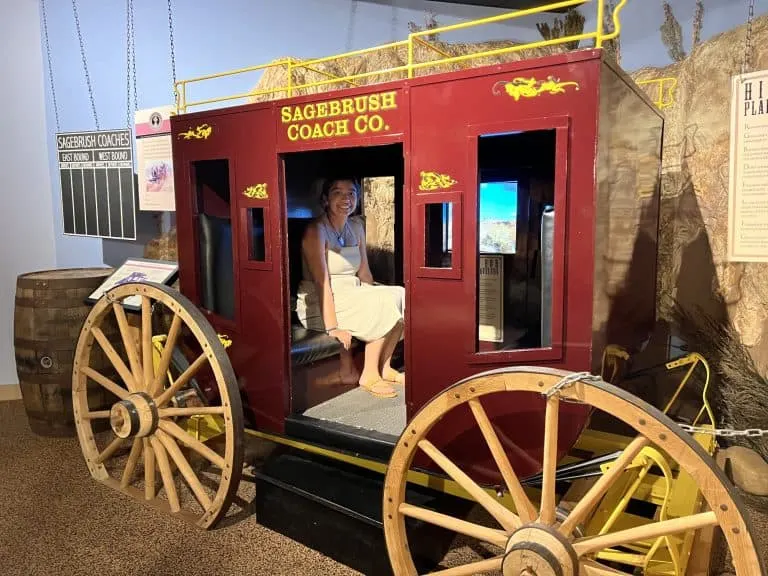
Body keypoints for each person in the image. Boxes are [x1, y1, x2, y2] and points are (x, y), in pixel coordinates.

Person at [295, 177, 405, 398]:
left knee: (400, 295)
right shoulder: (316, 231)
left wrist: (373, 291)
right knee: (381, 302)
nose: (346, 198)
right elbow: (321, 281)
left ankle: (385, 367)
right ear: (325, 199)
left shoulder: (356, 226)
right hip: (322, 301)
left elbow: (364, 272)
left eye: (351, 193)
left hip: (352, 293)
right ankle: (370, 374)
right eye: (337, 193)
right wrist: (332, 327)